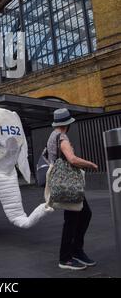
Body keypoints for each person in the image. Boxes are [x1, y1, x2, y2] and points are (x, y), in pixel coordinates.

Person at [47, 108, 98, 271]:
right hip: (69, 184)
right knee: (74, 218)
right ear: (67, 124)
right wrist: (91, 164)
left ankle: (76, 251)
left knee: (79, 216)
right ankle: (66, 257)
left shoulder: (52, 136)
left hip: (62, 183)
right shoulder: (62, 137)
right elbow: (72, 159)